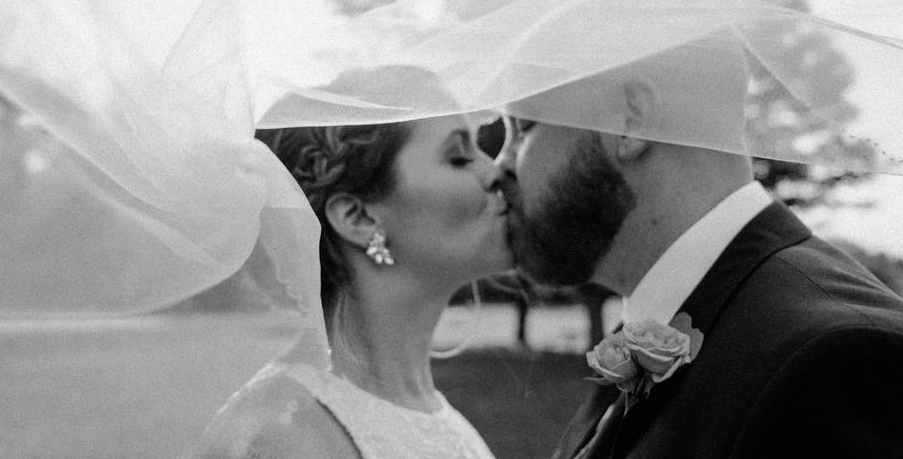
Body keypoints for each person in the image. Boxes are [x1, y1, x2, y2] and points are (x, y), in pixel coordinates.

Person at [496, 35, 903, 459]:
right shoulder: (650, 329)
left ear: (629, 121)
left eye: (523, 129)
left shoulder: (833, 361)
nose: (500, 165)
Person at [192, 69, 510, 459]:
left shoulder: (444, 420)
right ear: (359, 218)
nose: (495, 171)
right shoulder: (281, 436)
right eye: (459, 157)